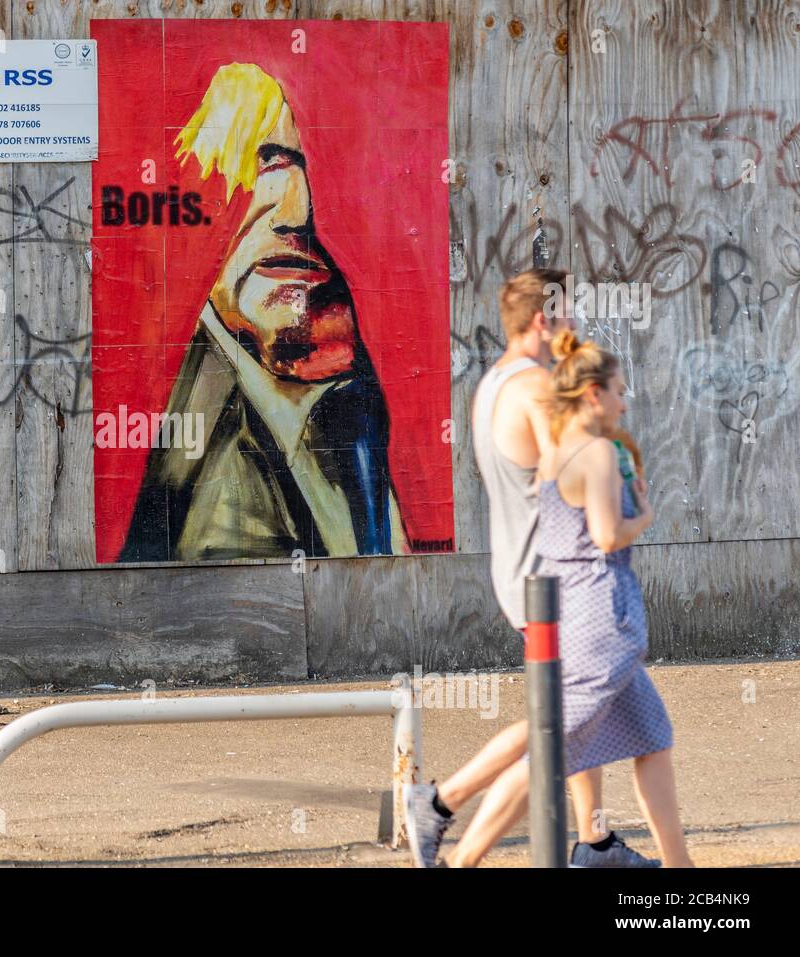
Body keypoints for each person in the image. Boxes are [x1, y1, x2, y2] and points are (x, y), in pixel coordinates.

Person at [406, 270, 657, 868]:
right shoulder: (538, 391)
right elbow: (571, 473)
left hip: (525, 573)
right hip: (555, 584)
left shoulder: (492, 382)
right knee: (562, 726)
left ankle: (593, 842)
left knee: (580, 715)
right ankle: (443, 805)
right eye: (566, 314)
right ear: (543, 320)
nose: (573, 325)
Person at [118, 63, 403, 563]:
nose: (297, 209)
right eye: (270, 163)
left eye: (300, 167)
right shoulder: (229, 494)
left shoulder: (342, 401)